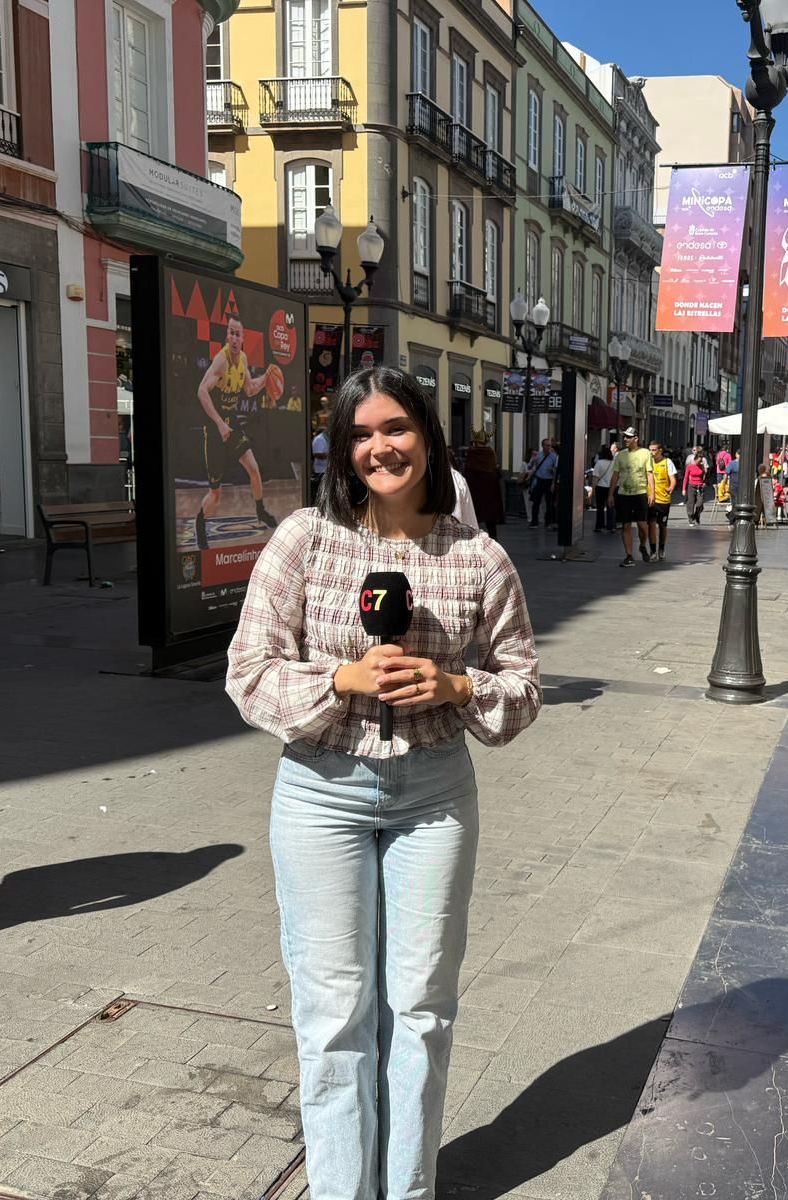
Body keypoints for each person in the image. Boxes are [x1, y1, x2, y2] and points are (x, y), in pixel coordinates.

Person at [225, 365, 539, 1200]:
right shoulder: (305, 540)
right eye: (359, 434)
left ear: (427, 438)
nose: (379, 448)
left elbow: (523, 685)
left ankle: (407, 1189)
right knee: (333, 1021)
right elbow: (247, 674)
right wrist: (340, 681)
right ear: (341, 449)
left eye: (394, 428)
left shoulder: (479, 556)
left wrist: (458, 687)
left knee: (422, 1009)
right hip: (319, 793)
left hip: (434, 795)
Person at [195, 314, 277, 550]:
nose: (233, 337)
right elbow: (202, 391)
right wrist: (220, 424)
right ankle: (201, 524)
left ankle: (260, 510)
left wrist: (267, 377)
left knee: (254, 468)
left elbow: (250, 389)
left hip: (233, 424)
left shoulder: (242, 358)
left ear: (243, 338)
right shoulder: (220, 362)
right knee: (216, 493)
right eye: (230, 332)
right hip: (214, 428)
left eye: (237, 333)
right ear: (227, 336)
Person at [609, 427, 653, 566]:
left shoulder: (645, 453)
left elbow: (649, 474)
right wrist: (610, 494)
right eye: (624, 437)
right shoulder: (620, 455)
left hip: (640, 493)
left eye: (628, 437)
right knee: (626, 526)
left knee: (642, 526)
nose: (625, 439)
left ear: (636, 438)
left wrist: (651, 492)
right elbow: (615, 475)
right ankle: (629, 555)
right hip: (623, 494)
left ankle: (642, 545)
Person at [462, 431, 504, 540]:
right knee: (490, 517)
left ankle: (471, 537)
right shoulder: (490, 453)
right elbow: (494, 470)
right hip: (490, 489)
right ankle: (493, 537)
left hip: (475, 489)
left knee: (473, 514)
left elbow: (467, 472)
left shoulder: (471, 453)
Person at [646, 440, 677, 560]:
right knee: (651, 525)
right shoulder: (648, 462)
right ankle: (653, 550)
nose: (651, 452)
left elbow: (673, 478)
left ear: (660, 451)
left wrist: (671, 487)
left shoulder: (667, 462)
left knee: (663, 526)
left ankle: (662, 548)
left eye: (654, 450)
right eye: (650, 450)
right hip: (651, 499)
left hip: (664, 500)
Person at [525, 438, 558, 528]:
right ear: (542, 446)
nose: (548, 447)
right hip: (539, 480)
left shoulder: (554, 456)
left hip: (549, 481)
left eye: (550, 445)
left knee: (549, 503)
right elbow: (529, 467)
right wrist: (534, 460)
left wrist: (553, 483)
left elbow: (556, 470)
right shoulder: (537, 455)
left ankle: (548, 522)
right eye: (547, 445)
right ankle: (534, 522)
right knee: (536, 502)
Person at [590, 443, 616, 532]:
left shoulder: (599, 463)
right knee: (611, 507)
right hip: (611, 488)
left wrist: (593, 489)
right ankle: (611, 526)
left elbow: (595, 477)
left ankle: (599, 525)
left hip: (600, 487)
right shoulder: (613, 463)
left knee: (600, 507)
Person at [681, 447, 708, 525]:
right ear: (695, 460)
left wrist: (704, 471)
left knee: (700, 504)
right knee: (690, 503)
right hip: (691, 486)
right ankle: (691, 518)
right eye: (699, 461)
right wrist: (683, 489)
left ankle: (697, 515)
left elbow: (705, 476)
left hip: (700, 487)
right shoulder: (690, 466)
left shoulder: (702, 466)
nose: (700, 462)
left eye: (701, 461)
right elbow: (685, 478)